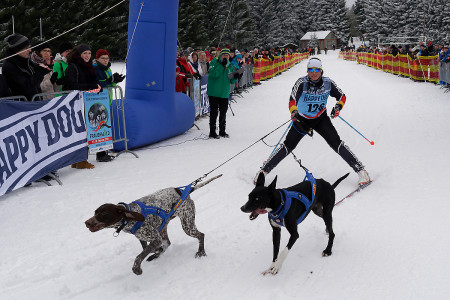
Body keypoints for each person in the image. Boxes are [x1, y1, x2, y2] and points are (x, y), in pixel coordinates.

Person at [254, 58, 371, 187]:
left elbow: (342, 96)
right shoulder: (301, 83)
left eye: (317, 70)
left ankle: (361, 171)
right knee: (288, 146)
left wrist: (338, 107)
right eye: (310, 70)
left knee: (336, 143)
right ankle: (263, 171)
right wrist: (294, 112)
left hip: (320, 119)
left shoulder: (328, 83)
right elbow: (292, 100)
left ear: (321, 71)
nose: (314, 73)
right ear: (307, 71)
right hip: (302, 120)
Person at [64, 44, 101, 169]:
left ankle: (79, 159)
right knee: (79, 131)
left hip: (86, 102)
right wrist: (91, 87)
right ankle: (79, 160)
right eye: (85, 53)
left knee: (83, 130)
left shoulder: (88, 67)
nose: (87, 56)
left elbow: (89, 83)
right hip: (74, 104)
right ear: (79, 54)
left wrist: (96, 87)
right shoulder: (72, 67)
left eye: (89, 53)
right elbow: (73, 85)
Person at [93, 48, 125, 162]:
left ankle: (104, 151)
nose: (106, 60)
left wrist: (116, 80)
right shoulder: (95, 68)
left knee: (105, 126)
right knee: (100, 127)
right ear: (97, 59)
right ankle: (100, 153)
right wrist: (110, 80)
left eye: (107, 58)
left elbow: (110, 83)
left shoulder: (108, 68)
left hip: (108, 99)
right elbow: (97, 83)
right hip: (98, 100)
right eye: (103, 58)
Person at [2, 33, 51, 100]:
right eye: (27, 48)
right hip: (22, 106)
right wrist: (40, 72)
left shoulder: (25, 60)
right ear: (18, 49)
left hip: (34, 102)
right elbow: (27, 88)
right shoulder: (10, 66)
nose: (30, 50)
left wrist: (46, 67)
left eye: (30, 47)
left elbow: (37, 68)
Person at [207, 48, 238, 139]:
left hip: (224, 93)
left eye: (227, 55)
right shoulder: (214, 62)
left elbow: (231, 81)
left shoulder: (230, 66)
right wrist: (221, 66)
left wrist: (235, 77)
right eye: (224, 55)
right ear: (221, 55)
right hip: (213, 92)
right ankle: (212, 132)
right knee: (214, 112)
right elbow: (213, 75)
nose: (226, 57)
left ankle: (222, 131)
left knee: (223, 111)